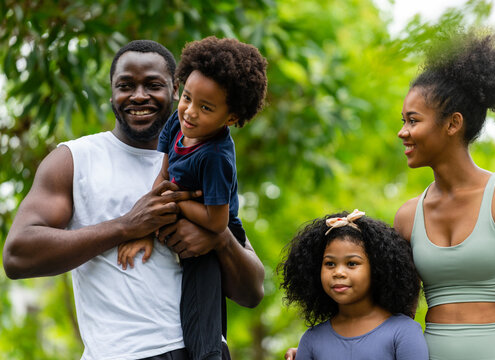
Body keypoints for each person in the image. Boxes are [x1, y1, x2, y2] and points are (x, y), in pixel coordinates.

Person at [3, 39, 265, 360]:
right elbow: (17, 256)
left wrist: (218, 239)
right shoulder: (73, 160)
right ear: (112, 92)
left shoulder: (203, 160)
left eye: (153, 85)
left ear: (174, 88)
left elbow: (252, 291)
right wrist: (127, 226)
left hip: (198, 351)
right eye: (126, 85)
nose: (139, 95)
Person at [117, 36, 268, 360]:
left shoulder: (215, 156)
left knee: (201, 292)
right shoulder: (178, 122)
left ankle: (210, 353)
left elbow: (218, 222)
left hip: (217, 224)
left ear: (230, 118)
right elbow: (163, 176)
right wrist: (144, 229)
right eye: (187, 98)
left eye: (206, 107)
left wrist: (179, 203)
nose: (190, 112)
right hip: (186, 211)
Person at [394, 29, 495, 359]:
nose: (403, 132)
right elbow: (394, 317)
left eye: (413, 120)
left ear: (452, 123)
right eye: (403, 121)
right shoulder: (407, 216)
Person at [279, 210, 428, 360]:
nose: (338, 272)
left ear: (377, 268)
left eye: (351, 263)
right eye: (329, 263)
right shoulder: (311, 340)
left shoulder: (403, 332)